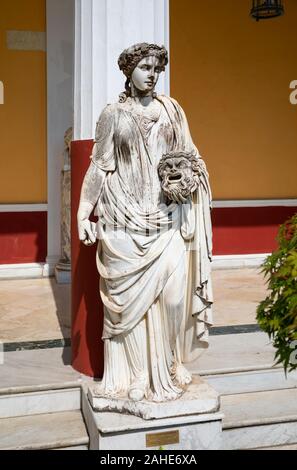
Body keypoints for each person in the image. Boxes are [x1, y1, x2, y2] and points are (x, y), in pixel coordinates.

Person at [77, 43, 213, 403]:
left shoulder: (172, 110)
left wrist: (190, 178)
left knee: (172, 299)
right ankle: (137, 375)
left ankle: (169, 363)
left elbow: (188, 155)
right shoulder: (113, 115)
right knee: (129, 308)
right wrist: (82, 211)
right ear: (129, 71)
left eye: (157, 68)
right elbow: (99, 166)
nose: (152, 74)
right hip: (123, 219)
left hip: (166, 217)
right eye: (145, 67)